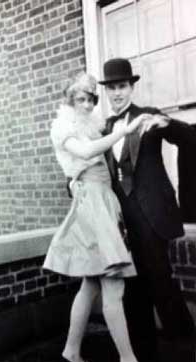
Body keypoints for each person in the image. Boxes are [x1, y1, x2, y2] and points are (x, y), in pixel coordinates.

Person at [43, 72, 160, 362]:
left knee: (92, 283)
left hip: (104, 203)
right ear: (69, 102)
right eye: (80, 99)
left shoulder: (93, 126)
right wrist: (124, 131)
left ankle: (71, 351)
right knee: (113, 283)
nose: (86, 105)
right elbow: (83, 153)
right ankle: (127, 358)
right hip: (93, 205)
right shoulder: (62, 127)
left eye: (90, 99)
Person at [99, 58, 195, 362]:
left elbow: (190, 138)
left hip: (152, 216)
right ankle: (142, 352)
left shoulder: (149, 117)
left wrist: (170, 123)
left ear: (131, 87)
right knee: (133, 290)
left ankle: (186, 348)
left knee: (161, 283)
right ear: (107, 91)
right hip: (123, 221)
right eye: (112, 88)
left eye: (122, 86)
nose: (117, 93)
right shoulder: (104, 130)